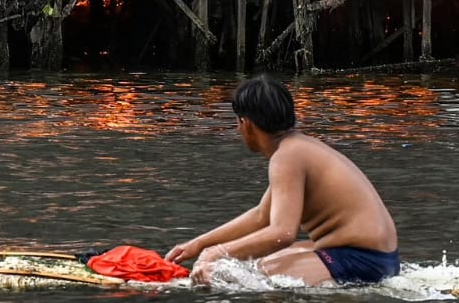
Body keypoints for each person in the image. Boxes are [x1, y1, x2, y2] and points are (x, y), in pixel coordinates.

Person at [165, 75, 399, 286]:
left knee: (258, 274)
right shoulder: (297, 148)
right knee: (257, 262)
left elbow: (282, 233)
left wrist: (215, 254)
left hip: (365, 261)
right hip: (377, 257)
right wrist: (198, 245)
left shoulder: (287, 157)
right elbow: (262, 215)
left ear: (245, 124)